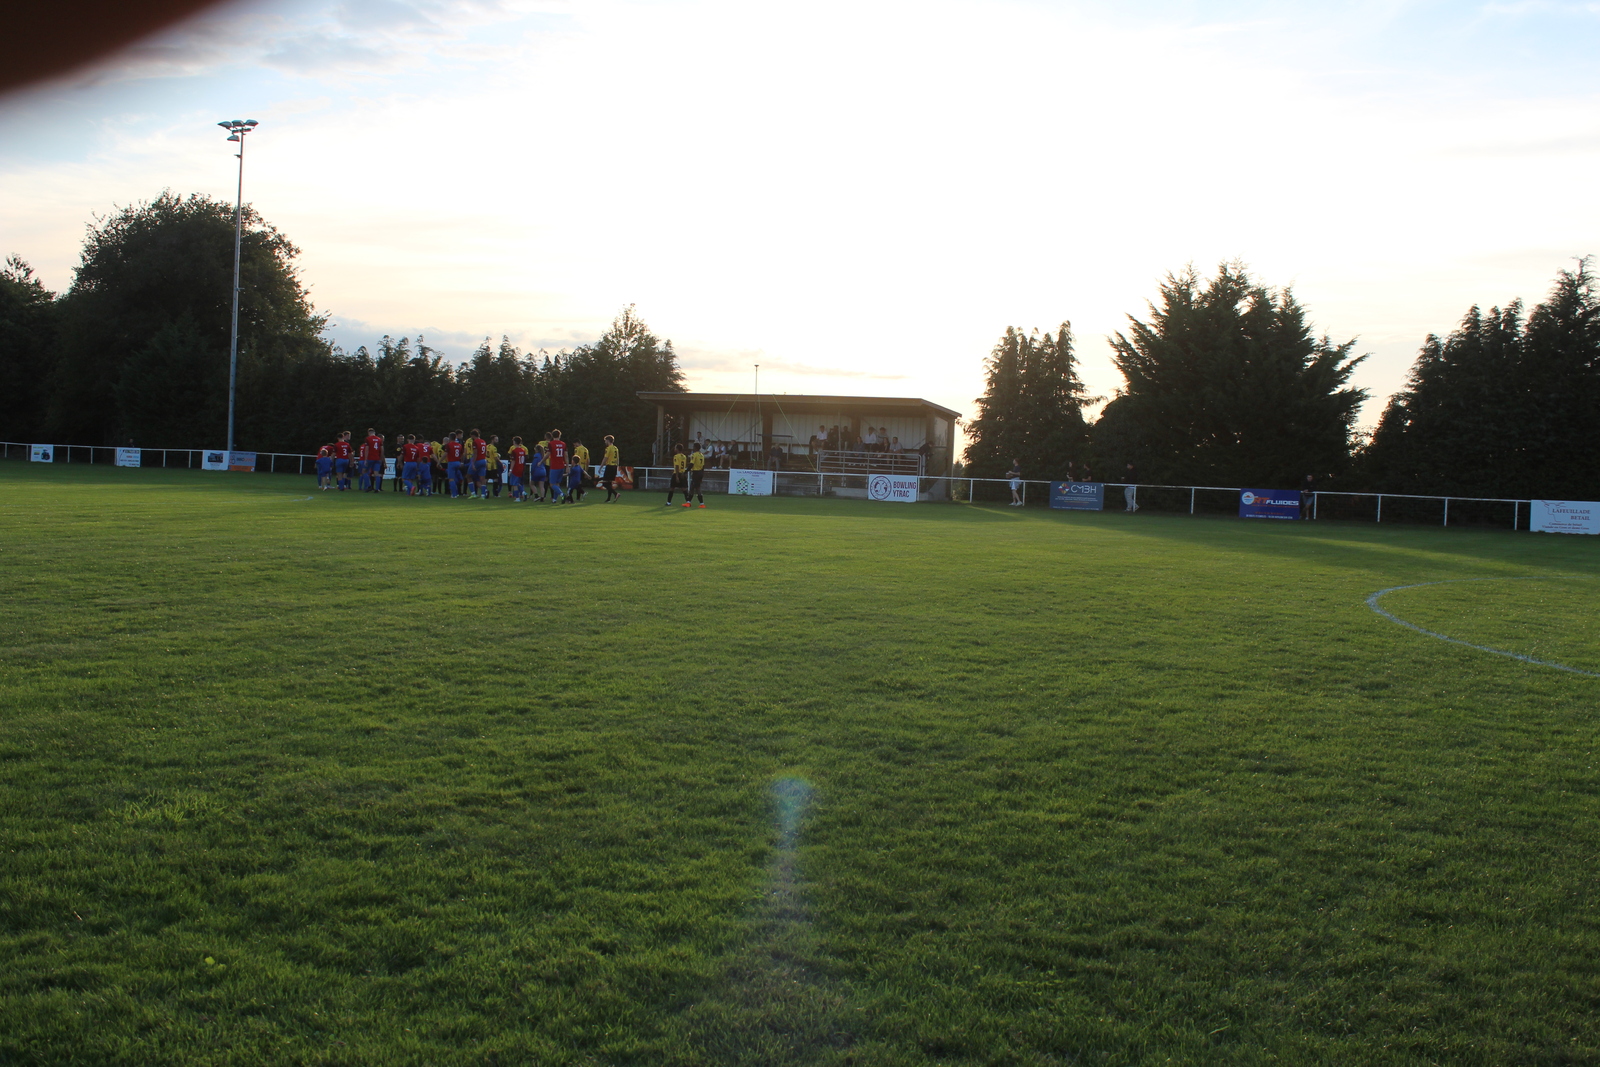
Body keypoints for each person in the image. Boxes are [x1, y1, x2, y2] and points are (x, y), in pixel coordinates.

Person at [466, 429, 489, 498]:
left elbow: (475, 453)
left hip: (478, 461)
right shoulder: (483, 441)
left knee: (468, 476)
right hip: (483, 460)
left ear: (473, 435)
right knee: (482, 478)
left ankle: (473, 493)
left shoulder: (475, 442)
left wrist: (473, 463)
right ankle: (483, 494)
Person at [546, 430, 569, 500]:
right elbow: (566, 456)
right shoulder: (563, 444)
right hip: (561, 466)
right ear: (559, 435)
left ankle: (562, 494)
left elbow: (548, 454)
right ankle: (554, 499)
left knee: (552, 484)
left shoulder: (551, 444)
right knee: (557, 483)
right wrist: (567, 466)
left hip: (554, 466)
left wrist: (541, 461)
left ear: (552, 436)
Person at [442, 431, 465, 498]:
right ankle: (457, 491)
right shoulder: (459, 445)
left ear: (449, 438)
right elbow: (462, 454)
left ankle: (454, 494)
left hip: (451, 462)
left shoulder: (449, 445)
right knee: (456, 478)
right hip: (458, 462)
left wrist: (439, 461)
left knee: (451, 479)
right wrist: (462, 462)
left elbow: (445, 454)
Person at [506, 437, 528, 501]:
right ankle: (523, 492)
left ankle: (517, 498)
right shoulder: (523, 450)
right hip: (521, 468)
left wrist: (510, 470)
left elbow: (513, 461)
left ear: (514, 442)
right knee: (518, 482)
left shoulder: (514, 451)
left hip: (516, 468)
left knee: (514, 484)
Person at [686, 441, 707, 508]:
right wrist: (702, 473)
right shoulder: (702, 455)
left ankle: (692, 503)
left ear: (695, 447)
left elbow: (691, 464)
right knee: (697, 487)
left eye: (693, 447)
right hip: (700, 472)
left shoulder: (694, 455)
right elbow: (703, 466)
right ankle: (696, 503)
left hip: (696, 472)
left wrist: (686, 471)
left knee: (693, 487)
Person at [601, 435, 621, 502]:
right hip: (614, 466)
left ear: (608, 441)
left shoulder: (608, 448)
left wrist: (601, 466)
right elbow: (617, 458)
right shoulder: (615, 448)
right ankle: (608, 499)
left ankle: (616, 494)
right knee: (609, 483)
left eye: (605, 441)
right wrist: (617, 466)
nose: (605, 442)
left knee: (604, 483)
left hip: (609, 466)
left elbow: (605, 458)